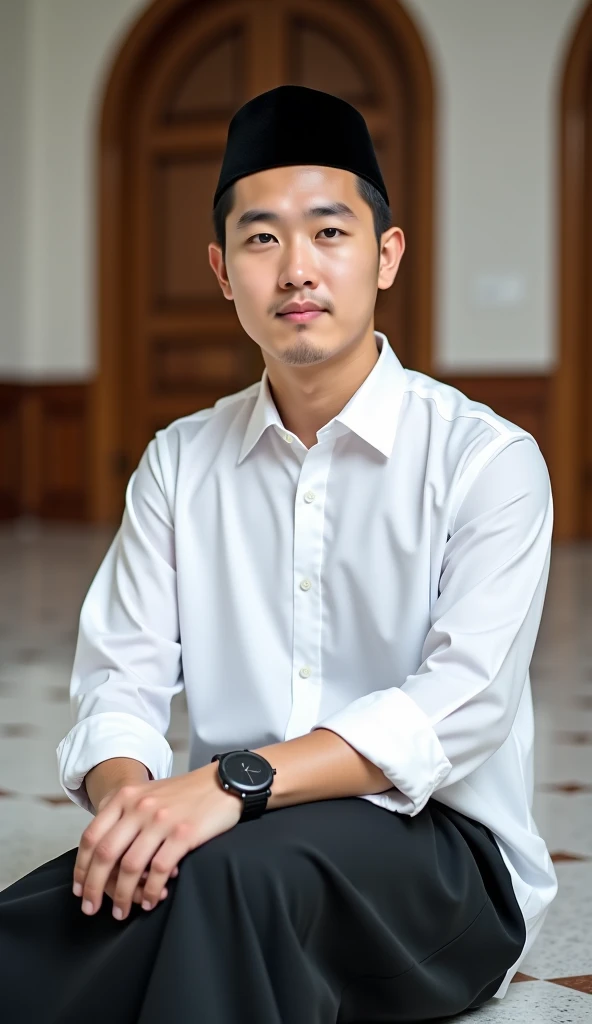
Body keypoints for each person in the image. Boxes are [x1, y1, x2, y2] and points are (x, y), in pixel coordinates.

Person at [0, 85, 556, 1023]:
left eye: (330, 233)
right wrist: (136, 807)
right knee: (58, 911)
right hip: (219, 836)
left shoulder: (487, 460)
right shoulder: (179, 461)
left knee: (223, 890)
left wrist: (230, 784)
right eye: (262, 239)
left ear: (386, 256)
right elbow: (121, 680)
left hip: (444, 861)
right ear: (222, 272)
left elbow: (460, 706)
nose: (297, 268)